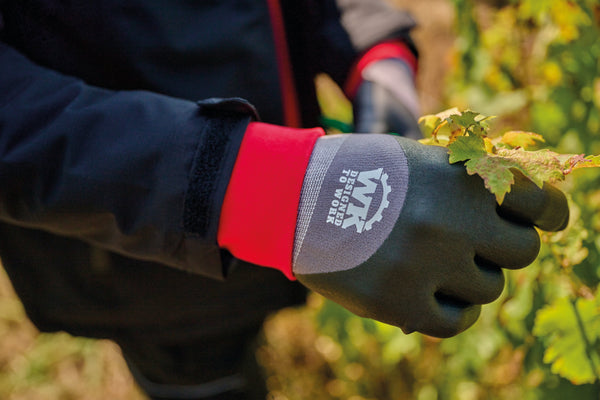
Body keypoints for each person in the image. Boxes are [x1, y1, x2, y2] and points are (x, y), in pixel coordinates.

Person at [0, 1, 569, 399]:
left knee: (247, 327)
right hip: (145, 259)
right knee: (198, 373)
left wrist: (374, 51)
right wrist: (251, 185)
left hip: (276, 180)